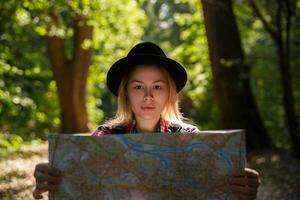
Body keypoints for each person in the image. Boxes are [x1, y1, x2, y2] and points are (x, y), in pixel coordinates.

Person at [33, 42, 260, 199]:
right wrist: (55, 180)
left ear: (169, 93)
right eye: (139, 86)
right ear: (126, 93)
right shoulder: (104, 138)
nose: (148, 96)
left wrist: (240, 191)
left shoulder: (190, 137)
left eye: (158, 87)